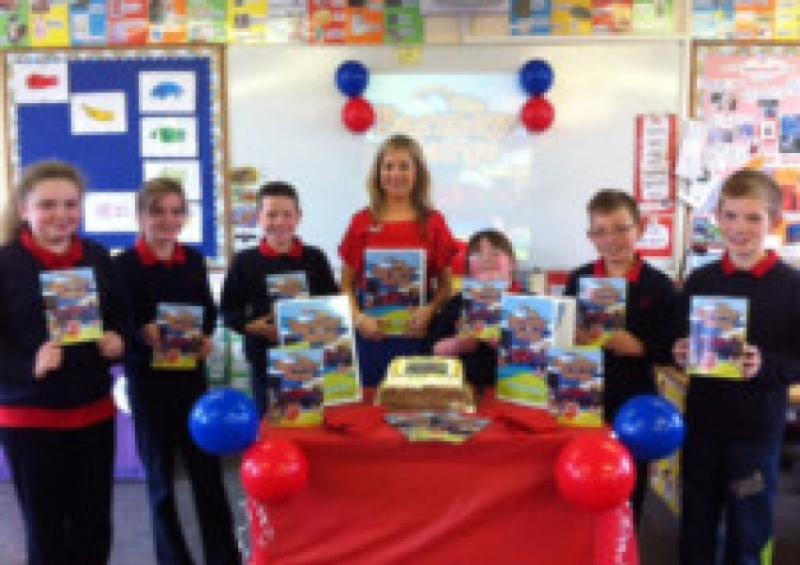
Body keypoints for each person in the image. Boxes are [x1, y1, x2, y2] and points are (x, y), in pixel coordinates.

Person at [0, 161, 127, 565]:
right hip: (30, 418)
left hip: (93, 412)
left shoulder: (96, 255)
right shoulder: (6, 263)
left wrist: (117, 339)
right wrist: (28, 365)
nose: (61, 215)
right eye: (47, 205)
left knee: (94, 527)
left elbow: (120, 315)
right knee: (46, 530)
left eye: (71, 204)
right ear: (24, 209)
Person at [673, 169, 800, 565]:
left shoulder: (791, 286)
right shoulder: (700, 279)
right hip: (704, 425)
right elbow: (682, 340)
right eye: (730, 216)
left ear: (773, 222)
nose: (739, 228)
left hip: (755, 434)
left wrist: (765, 365)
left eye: (752, 218)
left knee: (748, 527)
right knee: (696, 520)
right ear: (718, 219)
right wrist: (680, 351)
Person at [114, 178, 240, 565]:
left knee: (207, 476)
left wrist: (205, 338)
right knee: (161, 480)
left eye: (176, 211)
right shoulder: (123, 266)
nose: (168, 220)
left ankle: (223, 557)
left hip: (190, 381)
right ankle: (173, 558)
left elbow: (208, 308)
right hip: (148, 384)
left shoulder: (194, 260)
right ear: (140, 216)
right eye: (157, 211)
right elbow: (118, 319)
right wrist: (140, 331)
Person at [564, 189, 678, 526]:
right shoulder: (579, 278)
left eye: (620, 228)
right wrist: (574, 337)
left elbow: (674, 348)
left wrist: (641, 347)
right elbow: (562, 336)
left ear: (640, 230)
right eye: (600, 231)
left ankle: (628, 543)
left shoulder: (659, 286)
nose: (611, 239)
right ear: (590, 237)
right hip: (585, 394)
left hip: (635, 400)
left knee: (630, 481)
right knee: (585, 476)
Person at [339, 133, 457, 386]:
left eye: (404, 166)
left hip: (418, 332)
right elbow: (346, 285)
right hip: (371, 335)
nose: (396, 174)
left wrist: (431, 310)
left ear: (418, 173)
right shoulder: (362, 222)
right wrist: (360, 319)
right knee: (372, 406)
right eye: (388, 166)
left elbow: (447, 287)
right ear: (378, 172)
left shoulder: (433, 223)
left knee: (414, 405)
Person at [221, 181, 338, 416]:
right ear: (258, 217)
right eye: (271, 215)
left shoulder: (316, 258)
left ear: (298, 217)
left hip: (311, 361)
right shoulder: (245, 261)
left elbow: (334, 306)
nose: (280, 222)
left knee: (310, 423)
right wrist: (252, 327)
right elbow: (228, 311)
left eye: (287, 214)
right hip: (264, 361)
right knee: (271, 424)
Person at [429, 229, 518, 395]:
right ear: (469, 269)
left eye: (495, 253)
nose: (486, 259)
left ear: (512, 264)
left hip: (514, 392)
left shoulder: (527, 304)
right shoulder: (456, 304)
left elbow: (542, 357)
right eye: (478, 254)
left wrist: (503, 344)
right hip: (463, 389)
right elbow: (432, 350)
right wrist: (458, 344)